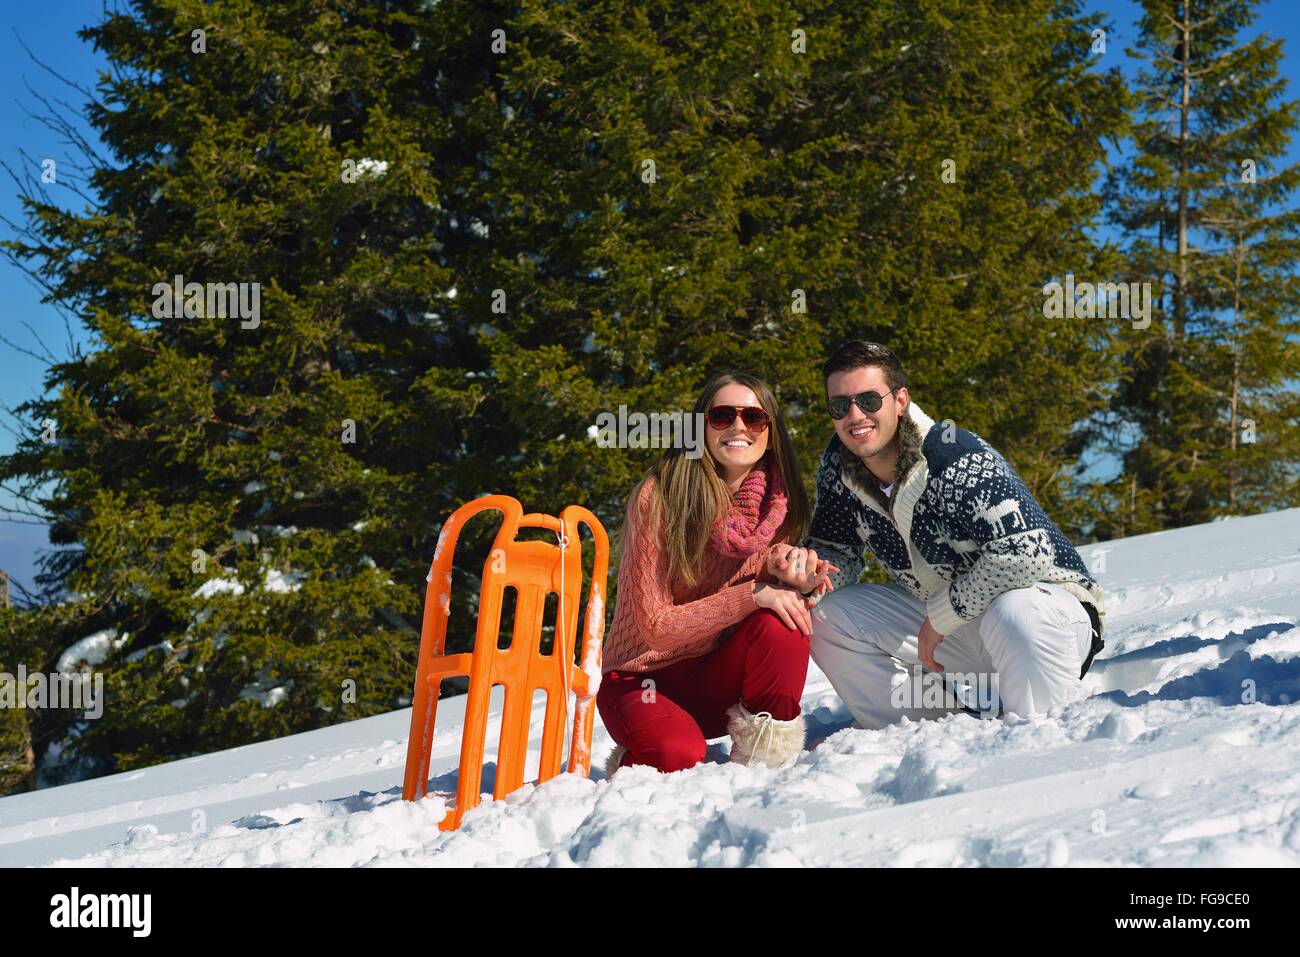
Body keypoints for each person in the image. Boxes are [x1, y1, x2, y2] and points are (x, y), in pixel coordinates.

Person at [769, 340, 1106, 729]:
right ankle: (921, 732)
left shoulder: (954, 454)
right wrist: (812, 575)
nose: (855, 415)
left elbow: (1024, 555)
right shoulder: (838, 465)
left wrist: (944, 614)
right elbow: (836, 551)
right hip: (951, 631)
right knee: (827, 617)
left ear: (900, 400)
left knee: (1015, 610)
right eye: (840, 405)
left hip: (1045, 616)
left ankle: (1041, 735)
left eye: (869, 400)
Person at [598, 372, 832, 775]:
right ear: (700, 428)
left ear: (770, 432)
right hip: (642, 681)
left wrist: (796, 581)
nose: (739, 427)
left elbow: (767, 596)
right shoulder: (659, 497)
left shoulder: (778, 507)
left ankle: (763, 760)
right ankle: (639, 755)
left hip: (715, 680)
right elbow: (656, 627)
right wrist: (754, 594)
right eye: (722, 416)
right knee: (676, 756)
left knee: (785, 620)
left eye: (754, 418)